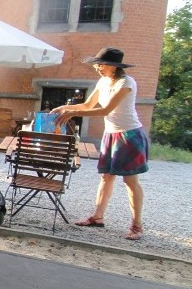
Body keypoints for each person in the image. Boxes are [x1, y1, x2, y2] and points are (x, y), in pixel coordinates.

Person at [52, 47, 149, 240]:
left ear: (114, 66)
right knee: (106, 177)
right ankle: (97, 217)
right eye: (97, 64)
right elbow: (88, 105)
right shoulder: (103, 81)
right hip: (111, 134)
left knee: (130, 181)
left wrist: (73, 114)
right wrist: (65, 107)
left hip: (129, 135)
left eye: (101, 64)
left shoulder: (126, 82)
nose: (97, 68)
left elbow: (105, 110)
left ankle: (137, 225)